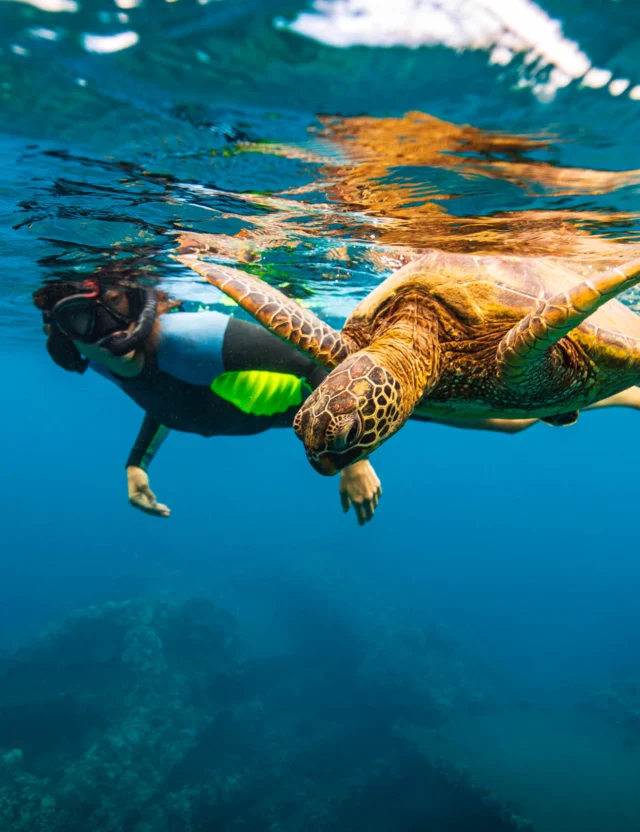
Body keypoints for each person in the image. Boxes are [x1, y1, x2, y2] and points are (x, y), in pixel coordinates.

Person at [33, 278, 383, 525]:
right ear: (65, 339)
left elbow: (321, 364)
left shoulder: (197, 338)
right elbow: (163, 396)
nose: (112, 332)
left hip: (326, 405)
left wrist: (351, 457)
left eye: (118, 304)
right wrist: (137, 465)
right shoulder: (99, 361)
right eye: (80, 319)